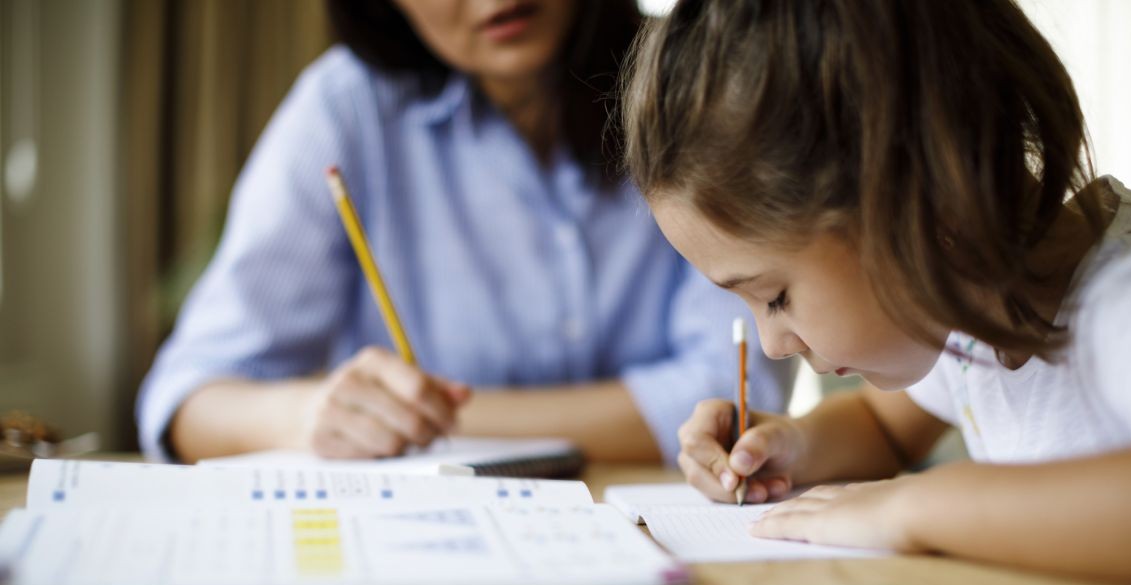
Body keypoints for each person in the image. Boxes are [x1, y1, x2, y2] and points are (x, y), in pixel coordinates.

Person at [622, 0, 1131, 585]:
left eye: (774, 297)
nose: (771, 345)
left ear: (913, 193)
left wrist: (920, 507)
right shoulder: (966, 305)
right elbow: (884, 426)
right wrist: (788, 447)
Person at [137, 0, 791, 465]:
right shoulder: (345, 112)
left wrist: (435, 423)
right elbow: (184, 400)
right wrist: (311, 416)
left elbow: (736, 395)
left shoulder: (697, 83)